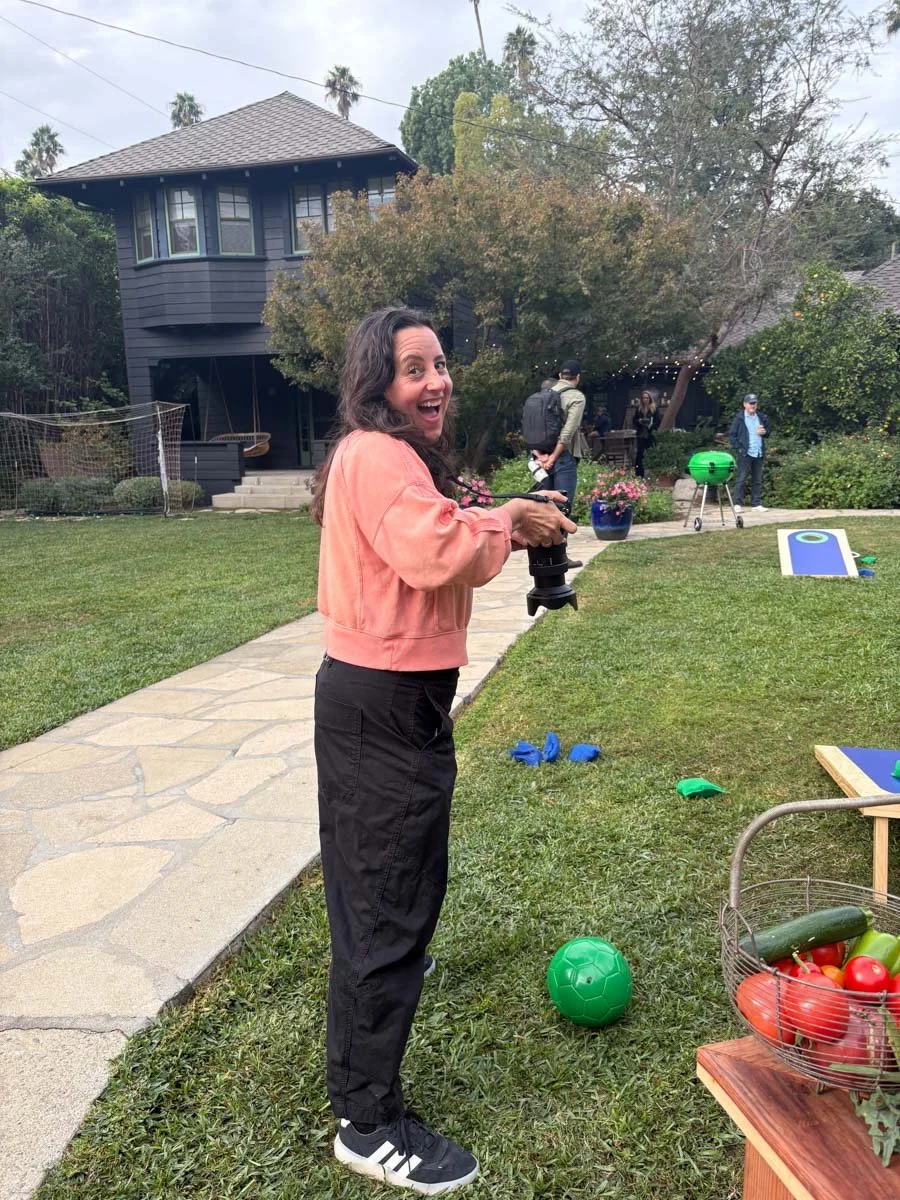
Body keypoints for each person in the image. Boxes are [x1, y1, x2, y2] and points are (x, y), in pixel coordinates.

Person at [312, 307, 575, 1194]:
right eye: (413, 368)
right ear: (376, 383)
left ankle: (370, 1028)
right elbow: (435, 552)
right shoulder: (378, 455)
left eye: (440, 363)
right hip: (382, 704)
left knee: (388, 892)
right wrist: (506, 520)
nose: (436, 381)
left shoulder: (390, 457)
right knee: (388, 902)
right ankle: (366, 1119)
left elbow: (443, 526)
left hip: (391, 700)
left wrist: (498, 513)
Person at [532, 358, 589, 502]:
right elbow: (567, 432)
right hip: (563, 456)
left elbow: (531, 427)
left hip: (541, 456)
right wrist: (553, 458)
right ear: (578, 377)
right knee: (563, 505)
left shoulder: (543, 395)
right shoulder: (577, 397)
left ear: (560, 375)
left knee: (544, 507)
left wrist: (540, 456)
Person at [728, 392, 771, 511]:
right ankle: (737, 503)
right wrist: (740, 449)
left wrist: (765, 432)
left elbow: (768, 432)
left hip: (758, 452)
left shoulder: (761, 417)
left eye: (755, 403)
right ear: (745, 404)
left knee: (757, 479)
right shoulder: (739, 418)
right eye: (751, 403)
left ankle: (756, 504)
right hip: (745, 453)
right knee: (741, 478)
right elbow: (732, 436)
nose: (753, 405)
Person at [632, 390, 659, 478]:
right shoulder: (639, 408)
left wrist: (651, 425)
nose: (645, 400)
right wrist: (639, 421)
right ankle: (639, 474)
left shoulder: (654, 408)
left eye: (647, 398)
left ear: (650, 399)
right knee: (640, 453)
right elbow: (634, 420)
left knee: (651, 453)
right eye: (644, 398)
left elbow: (658, 421)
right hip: (641, 433)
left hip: (650, 433)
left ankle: (653, 474)